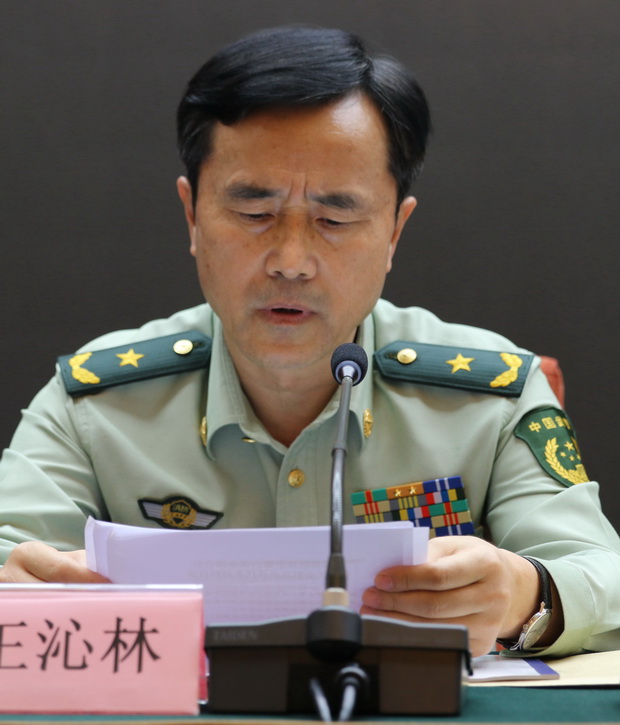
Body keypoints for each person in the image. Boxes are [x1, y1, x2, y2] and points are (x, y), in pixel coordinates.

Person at [1, 26, 619, 660]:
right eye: (254, 213)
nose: (291, 261)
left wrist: (524, 593)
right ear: (192, 216)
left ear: (394, 232)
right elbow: (9, 555)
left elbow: (602, 576)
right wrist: (14, 587)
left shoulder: (491, 397)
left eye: (335, 218)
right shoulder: (95, 404)